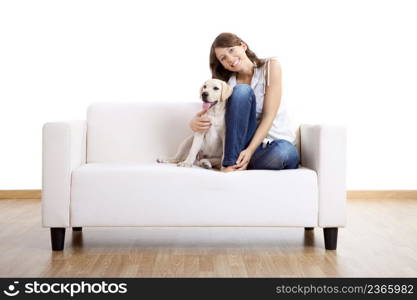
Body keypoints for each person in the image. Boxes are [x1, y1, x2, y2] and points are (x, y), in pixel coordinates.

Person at [189, 32, 300, 172]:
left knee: (283, 154)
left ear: (243, 46)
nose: (230, 58)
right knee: (241, 91)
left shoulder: (270, 67)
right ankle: (229, 163)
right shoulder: (227, 85)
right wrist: (193, 122)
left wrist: (250, 152)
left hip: (274, 145)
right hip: (241, 146)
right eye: (223, 58)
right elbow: (212, 113)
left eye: (231, 50)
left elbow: (269, 116)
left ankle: (235, 162)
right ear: (222, 64)